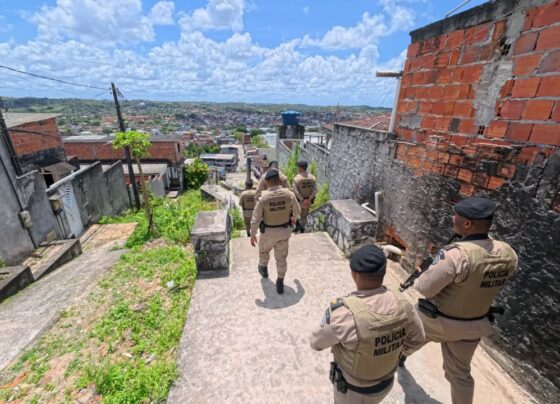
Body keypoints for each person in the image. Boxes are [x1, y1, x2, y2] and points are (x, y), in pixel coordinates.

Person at [403, 196, 518, 404]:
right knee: (460, 375)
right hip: (474, 325)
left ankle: (397, 358)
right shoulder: (508, 252)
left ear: (467, 224)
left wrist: (420, 273)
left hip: (437, 320)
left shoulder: (456, 255)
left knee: (402, 333)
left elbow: (426, 289)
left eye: (456, 215)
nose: (452, 218)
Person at [310, 245, 425, 404]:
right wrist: (389, 354)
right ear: (383, 272)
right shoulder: (404, 304)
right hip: (385, 384)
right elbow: (418, 339)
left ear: (354, 274)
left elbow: (316, 343)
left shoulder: (344, 314)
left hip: (353, 392)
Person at [250, 169, 301, 294]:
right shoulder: (289, 194)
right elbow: (298, 211)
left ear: (267, 182)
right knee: (281, 258)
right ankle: (280, 281)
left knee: (264, 251)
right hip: (284, 232)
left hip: (268, 233)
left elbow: (255, 218)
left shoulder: (263, 198)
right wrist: (294, 218)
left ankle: (263, 268)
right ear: (279, 180)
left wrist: (252, 234)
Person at [292, 160, 317, 233]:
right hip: (308, 202)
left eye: (298, 167)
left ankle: (297, 227)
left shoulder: (296, 179)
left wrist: (302, 199)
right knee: (304, 216)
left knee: (294, 214)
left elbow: (295, 191)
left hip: (299, 202)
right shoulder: (312, 177)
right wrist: (309, 199)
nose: (297, 168)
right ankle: (302, 230)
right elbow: (315, 190)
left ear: (301, 168)